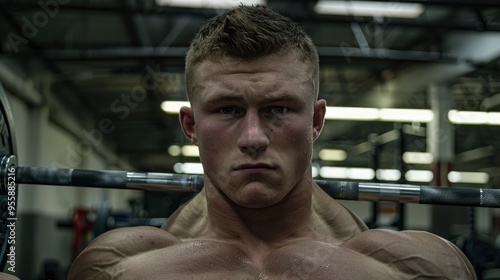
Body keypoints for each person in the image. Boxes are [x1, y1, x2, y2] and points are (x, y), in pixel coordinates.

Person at [68, 5, 476, 279]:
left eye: (278, 109)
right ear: (190, 125)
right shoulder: (121, 265)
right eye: (227, 110)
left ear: (315, 121)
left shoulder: (413, 267)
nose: (253, 138)